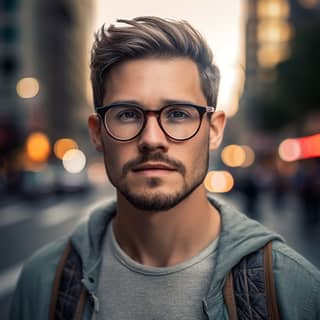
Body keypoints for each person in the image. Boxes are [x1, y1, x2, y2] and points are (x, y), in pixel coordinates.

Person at [10, 16, 319, 320]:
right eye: (128, 114)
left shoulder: (293, 290)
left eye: (178, 114)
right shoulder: (42, 283)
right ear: (97, 132)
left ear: (214, 130)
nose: (152, 139)